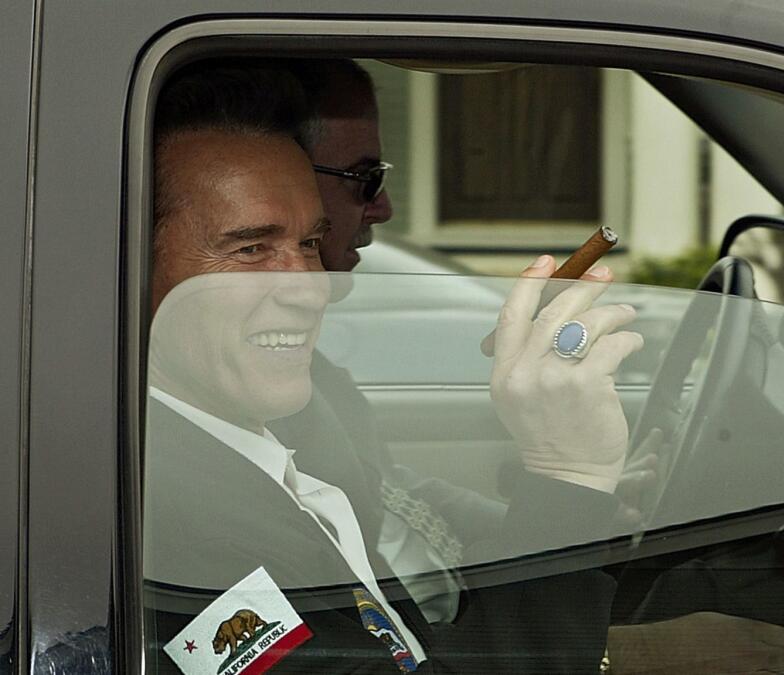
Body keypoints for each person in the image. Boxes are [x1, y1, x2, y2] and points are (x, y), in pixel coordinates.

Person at [280, 58, 784, 674]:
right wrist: (617, 651)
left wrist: (584, 504)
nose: (384, 207)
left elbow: (394, 497)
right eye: (365, 178)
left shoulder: (313, 385)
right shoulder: (214, 467)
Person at [143, 62, 643, 674]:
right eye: (250, 249)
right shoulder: (176, 530)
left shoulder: (235, 458)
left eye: (308, 245)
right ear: (128, 266)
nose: (309, 288)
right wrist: (568, 475)